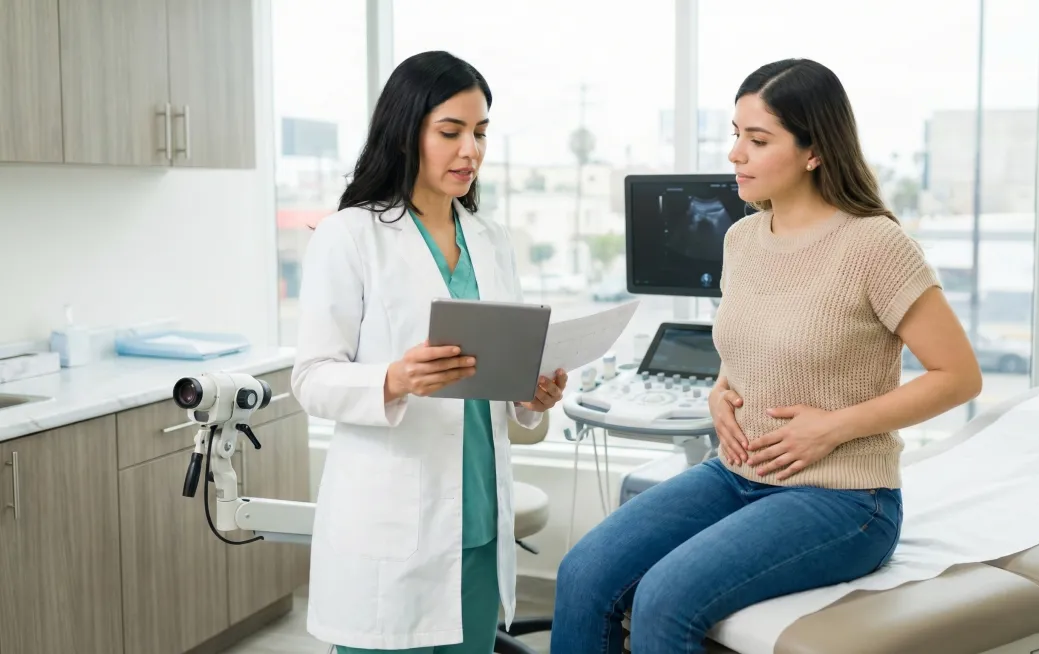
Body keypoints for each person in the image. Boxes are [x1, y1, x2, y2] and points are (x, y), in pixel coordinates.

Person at [550, 58, 983, 653]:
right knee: (582, 573)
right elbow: (751, 340)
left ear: (813, 151)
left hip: (844, 499)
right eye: (735, 135)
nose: (735, 154)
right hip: (733, 475)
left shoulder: (876, 244)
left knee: (663, 600)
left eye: (757, 140)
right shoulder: (743, 238)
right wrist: (719, 390)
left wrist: (831, 429)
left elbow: (958, 376)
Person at [291, 51, 568, 653]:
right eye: (451, 132)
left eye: (481, 133)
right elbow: (310, 378)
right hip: (391, 524)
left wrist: (531, 394)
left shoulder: (491, 241)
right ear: (405, 132)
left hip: (477, 518)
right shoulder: (351, 236)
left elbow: (505, 380)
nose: (471, 150)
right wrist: (391, 379)